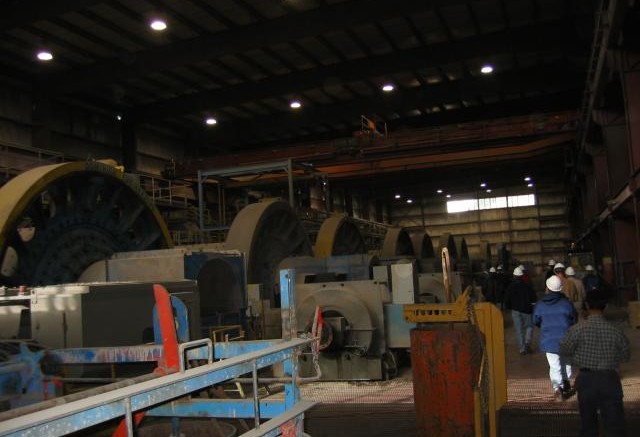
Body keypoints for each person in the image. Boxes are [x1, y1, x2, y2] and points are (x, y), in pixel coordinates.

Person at [560, 288, 631, 436]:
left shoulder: (576, 330)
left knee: (588, 425)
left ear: (586, 305)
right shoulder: (615, 330)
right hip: (610, 379)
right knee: (615, 426)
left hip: (586, 380)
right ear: (605, 307)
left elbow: (564, 353)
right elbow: (625, 356)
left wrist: (577, 360)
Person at [533, 275, 577, 400]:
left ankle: (558, 389)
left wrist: (546, 326)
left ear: (547, 287)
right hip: (566, 338)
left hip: (549, 339)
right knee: (567, 362)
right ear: (560, 288)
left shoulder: (541, 305)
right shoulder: (567, 303)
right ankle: (566, 382)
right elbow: (574, 319)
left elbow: (536, 320)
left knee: (554, 365)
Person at [504, 266, 537, 354]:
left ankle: (522, 348)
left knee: (519, 329)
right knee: (529, 326)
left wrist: (509, 307)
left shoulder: (510, 287)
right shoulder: (527, 286)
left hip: (515, 311)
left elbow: (507, 299)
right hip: (526, 310)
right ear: (522, 276)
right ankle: (527, 343)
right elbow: (534, 298)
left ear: (514, 276)